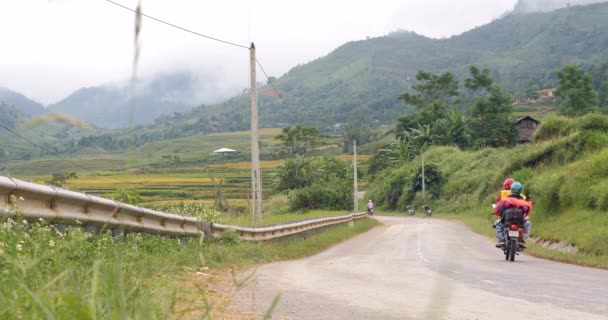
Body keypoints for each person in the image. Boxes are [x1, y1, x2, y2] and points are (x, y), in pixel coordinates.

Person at [493, 182, 532, 248]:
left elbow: (500, 210)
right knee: (528, 224)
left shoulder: (506, 200)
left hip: (507, 221)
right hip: (519, 222)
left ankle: (501, 239)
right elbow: (526, 210)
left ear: (511, 189)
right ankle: (522, 238)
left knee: (497, 224)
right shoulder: (523, 201)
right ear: (520, 190)